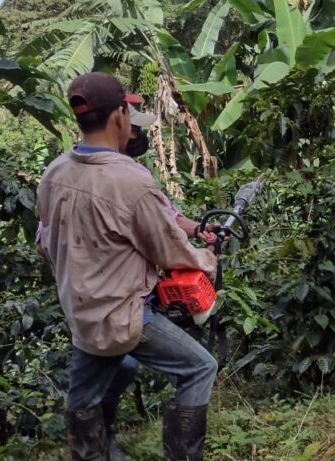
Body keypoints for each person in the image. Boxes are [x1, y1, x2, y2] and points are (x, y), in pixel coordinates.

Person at [36, 72, 218, 460]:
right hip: (123, 314)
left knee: (91, 392)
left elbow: (44, 244)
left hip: (82, 315)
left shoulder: (54, 174)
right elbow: (171, 250)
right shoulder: (129, 181)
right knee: (199, 368)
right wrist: (208, 260)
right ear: (120, 115)